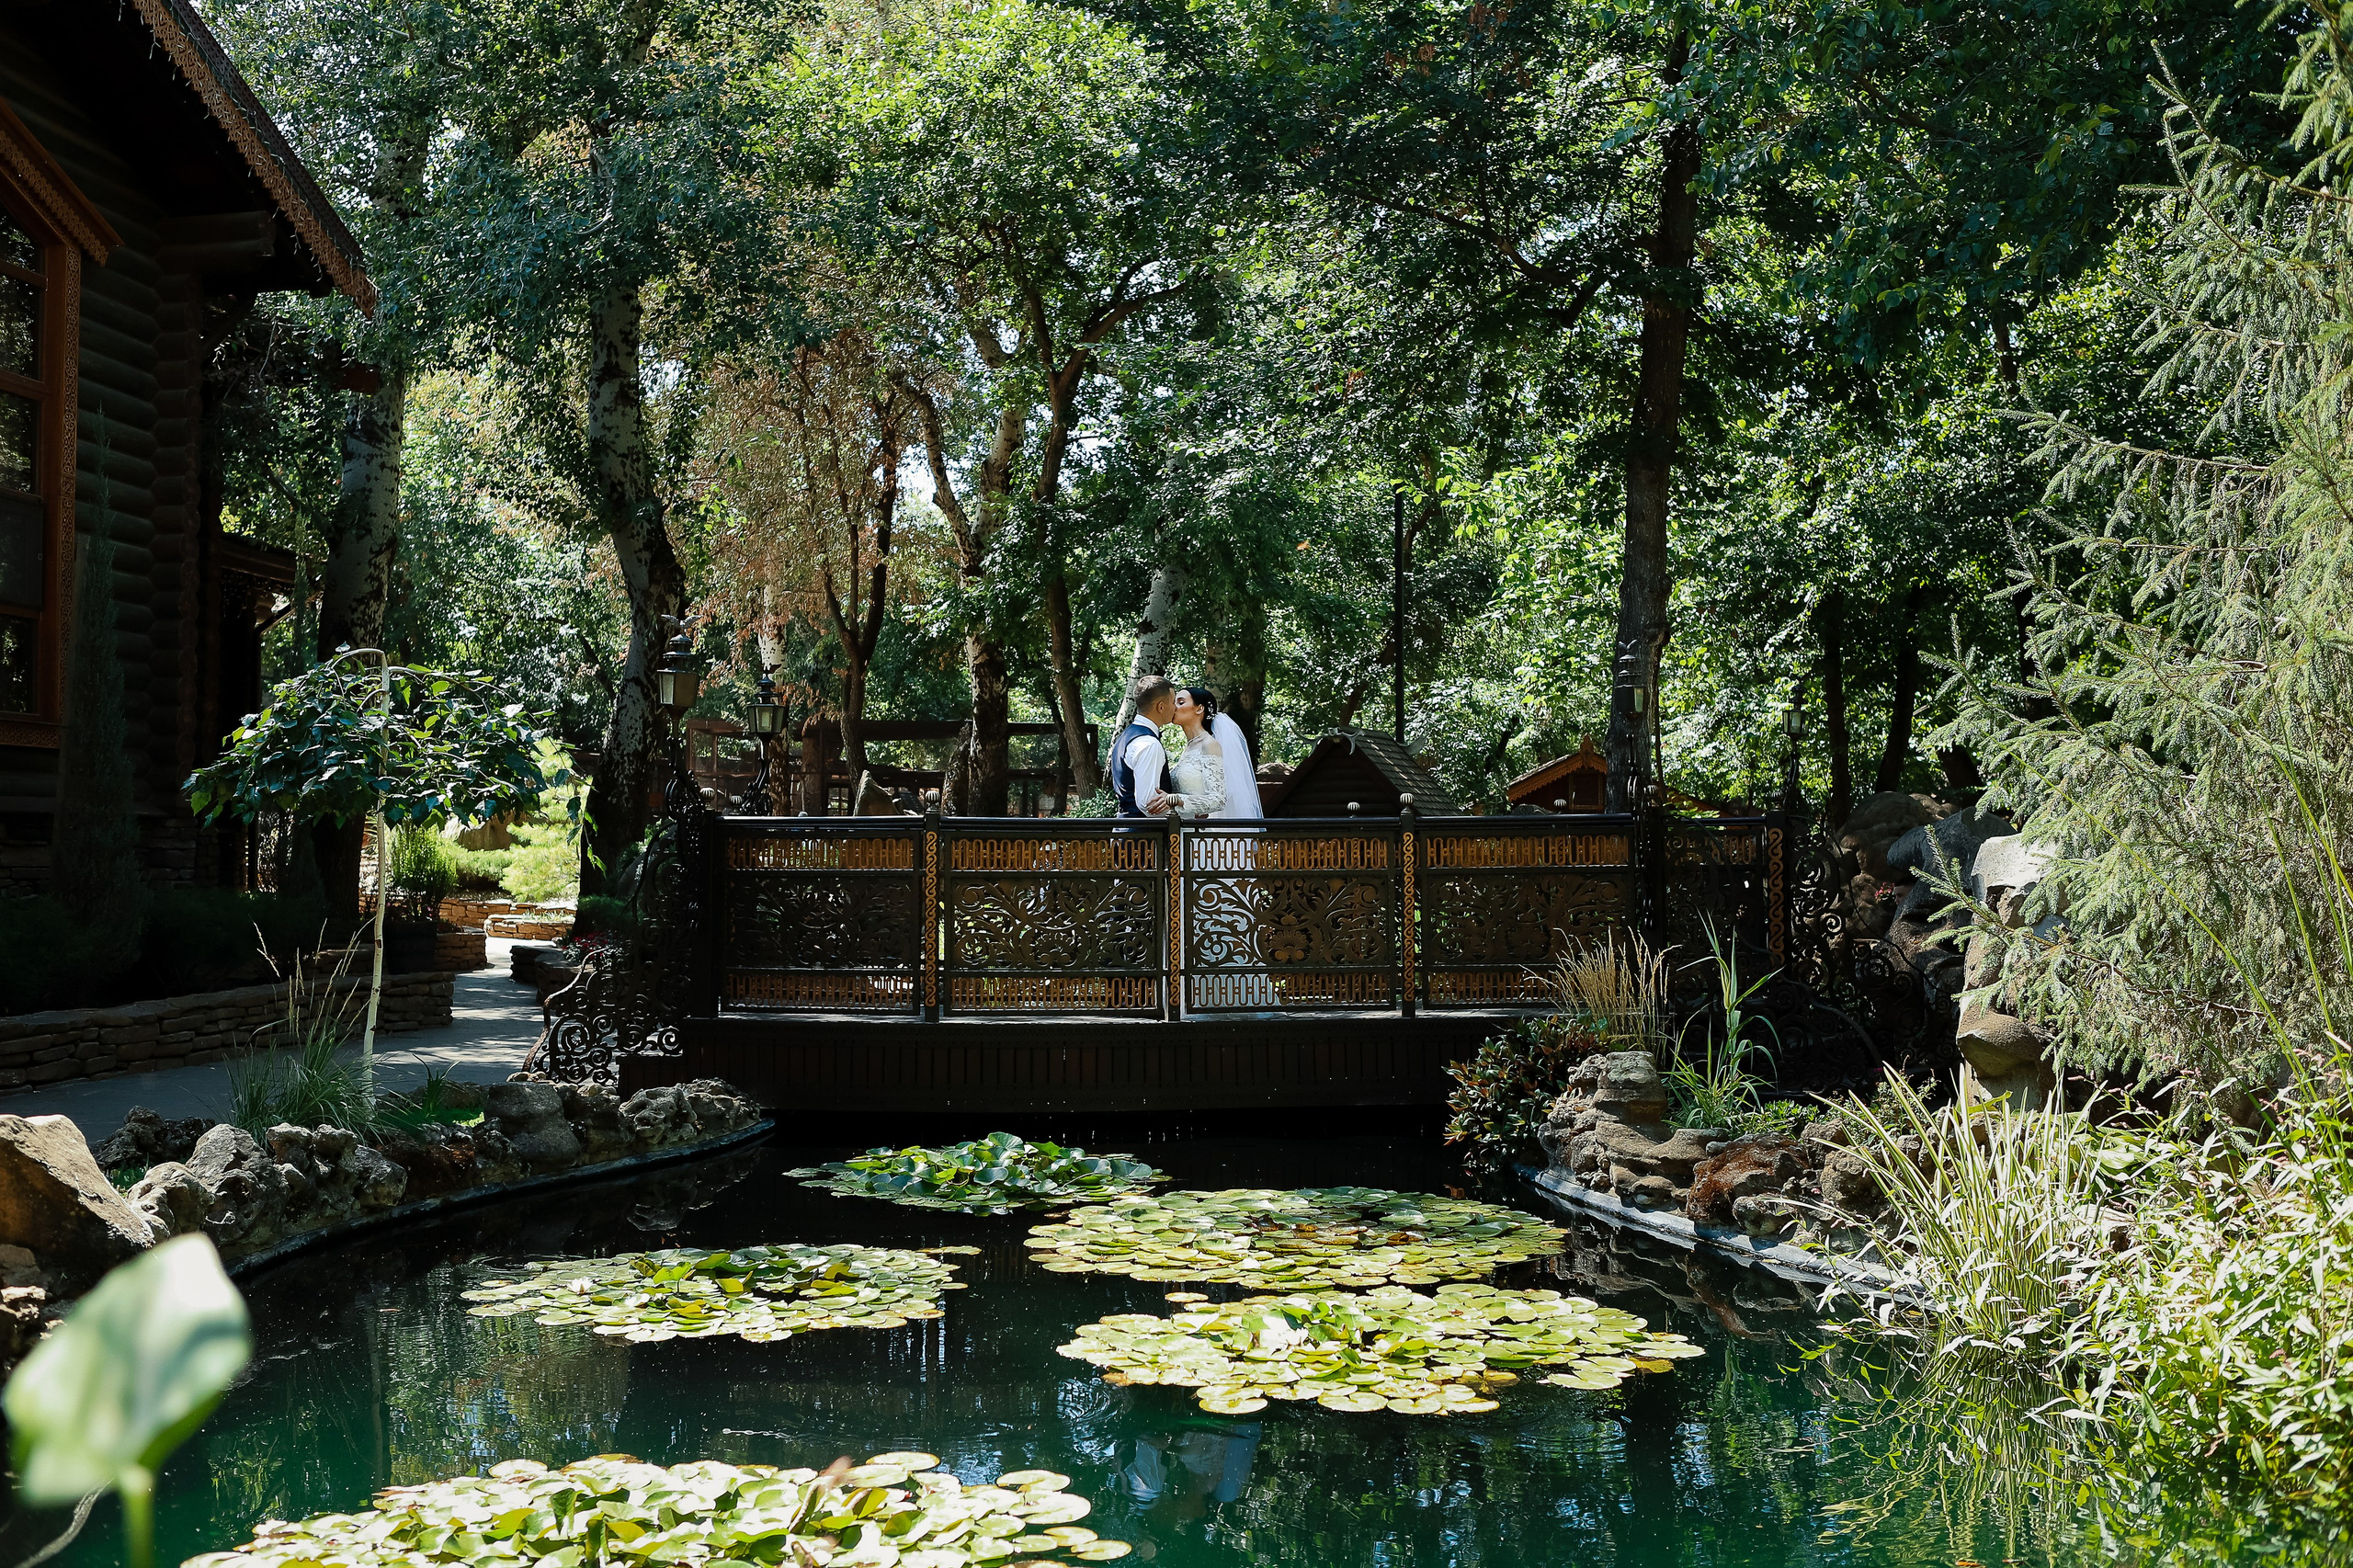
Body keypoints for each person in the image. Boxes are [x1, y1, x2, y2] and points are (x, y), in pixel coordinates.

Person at [1172, 687, 1263, 819]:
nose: (1174, 707)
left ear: (1199, 709)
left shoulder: (1209, 744)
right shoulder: (1189, 747)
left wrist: (1175, 800)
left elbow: (1218, 799)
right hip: (1184, 830)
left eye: (1180, 702)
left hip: (1203, 835)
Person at [1110, 675, 1178, 817]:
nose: (1175, 707)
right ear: (1161, 707)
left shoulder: (1126, 736)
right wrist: (1189, 813)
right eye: (1173, 702)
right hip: (1143, 836)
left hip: (1126, 831)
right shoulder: (1149, 744)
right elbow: (1149, 804)